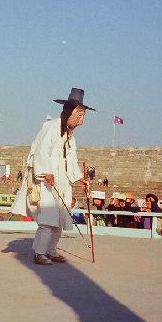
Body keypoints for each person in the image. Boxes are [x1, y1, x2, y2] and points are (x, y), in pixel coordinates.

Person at [30, 88, 92, 265]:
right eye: (80, 116)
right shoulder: (51, 127)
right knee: (48, 216)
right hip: (49, 178)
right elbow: (41, 151)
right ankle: (40, 252)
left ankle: (51, 250)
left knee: (61, 216)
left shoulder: (70, 136)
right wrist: (46, 172)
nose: (81, 121)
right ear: (70, 112)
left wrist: (81, 178)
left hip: (64, 179)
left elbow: (71, 160)